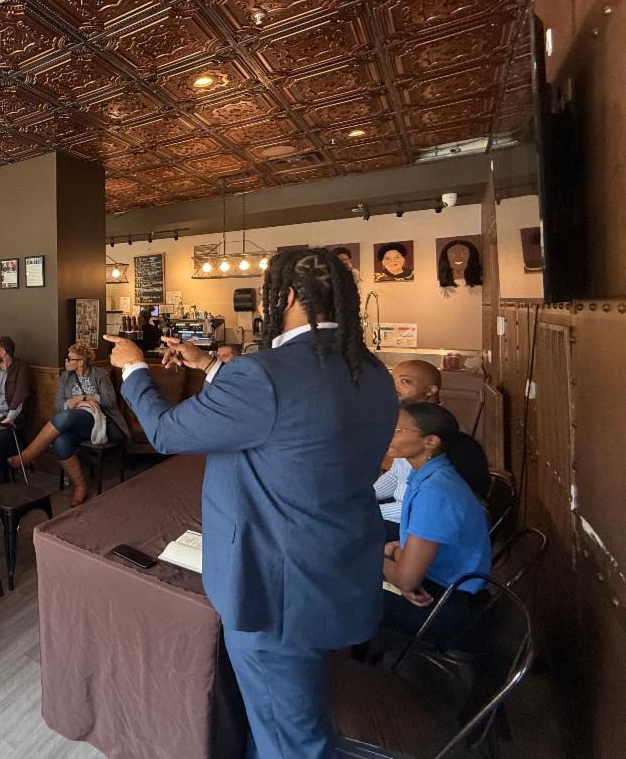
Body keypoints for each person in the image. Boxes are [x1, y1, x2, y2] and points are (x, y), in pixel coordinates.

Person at [104, 247, 398, 758]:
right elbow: (296, 422)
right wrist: (207, 367)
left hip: (275, 589)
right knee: (288, 716)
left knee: (291, 741)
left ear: (284, 296)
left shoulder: (263, 375)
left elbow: (167, 432)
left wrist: (134, 370)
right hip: (341, 572)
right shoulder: (372, 372)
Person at [381, 402, 492, 642]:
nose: (386, 431)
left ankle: (363, 672)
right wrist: (398, 557)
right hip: (434, 585)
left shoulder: (436, 491)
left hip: (445, 605)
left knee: (345, 592)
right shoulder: (427, 475)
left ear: (430, 441)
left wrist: (375, 561)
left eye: (397, 430)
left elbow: (406, 579)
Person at [377, 360, 489, 537]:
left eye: (404, 381)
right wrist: (367, 496)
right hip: (403, 509)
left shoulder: (444, 432)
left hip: (422, 521)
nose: (394, 387)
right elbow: (395, 476)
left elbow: (422, 505)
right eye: (393, 380)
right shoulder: (409, 425)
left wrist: (369, 510)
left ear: (430, 390)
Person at [12, 342, 128, 506]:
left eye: (69, 359)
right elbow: (59, 404)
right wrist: (73, 404)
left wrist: (83, 399)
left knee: (66, 417)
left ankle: (27, 456)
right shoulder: (65, 377)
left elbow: (110, 400)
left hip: (98, 422)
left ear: (80, 362)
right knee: (61, 442)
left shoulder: (99, 374)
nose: (65, 361)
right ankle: (81, 486)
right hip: (75, 422)